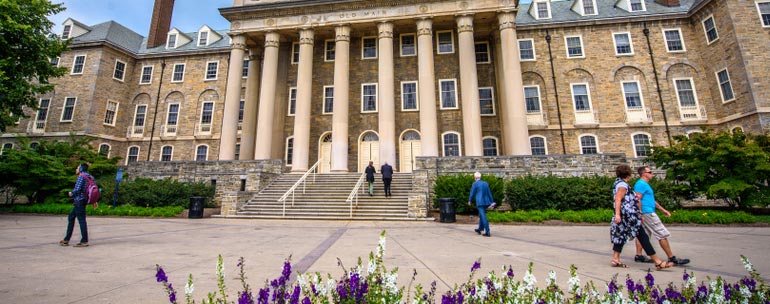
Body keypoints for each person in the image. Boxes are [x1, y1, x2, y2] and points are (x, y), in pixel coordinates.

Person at [610, 165, 673, 269]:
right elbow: (618, 199)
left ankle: (616, 258)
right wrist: (618, 214)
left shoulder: (618, 183)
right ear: (629, 174)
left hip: (626, 215)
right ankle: (657, 262)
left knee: (620, 235)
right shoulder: (622, 185)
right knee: (643, 237)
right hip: (629, 216)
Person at [634, 166, 691, 266]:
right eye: (650, 172)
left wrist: (663, 210)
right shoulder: (640, 184)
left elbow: (651, 200)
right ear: (644, 174)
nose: (652, 174)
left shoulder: (644, 185)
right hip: (647, 212)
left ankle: (639, 255)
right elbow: (637, 199)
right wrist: (640, 213)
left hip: (647, 211)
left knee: (643, 235)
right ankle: (671, 258)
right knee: (661, 233)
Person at [60, 163, 91, 247]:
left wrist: (71, 193)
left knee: (81, 220)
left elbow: (77, 189)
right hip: (84, 200)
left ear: (81, 168)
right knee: (71, 217)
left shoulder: (81, 176)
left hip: (79, 200)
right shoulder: (89, 176)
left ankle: (84, 240)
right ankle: (66, 239)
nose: (76, 169)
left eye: (77, 168)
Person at [467, 172, 494, 237]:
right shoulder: (485, 183)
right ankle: (480, 229)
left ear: (475, 177)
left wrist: (470, 200)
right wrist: (492, 202)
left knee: (483, 216)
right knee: (481, 215)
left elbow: (472, 193)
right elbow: (489, 193)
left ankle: (487, 232)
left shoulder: (475, 184)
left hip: (480, 202)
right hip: (486, 202)